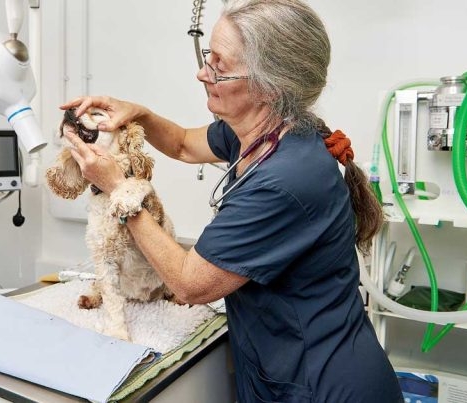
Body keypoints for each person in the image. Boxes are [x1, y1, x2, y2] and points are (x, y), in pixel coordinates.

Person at [59, 0, 403, 401]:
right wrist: (139, 114)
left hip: (322, 383)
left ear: (269, 86)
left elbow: (189, 284)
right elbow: (185, 145)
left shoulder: (285, 179)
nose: (202, 72)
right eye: (207, 56)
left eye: (219, 66)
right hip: (284, 366)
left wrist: (121, 191)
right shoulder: (261, 135)